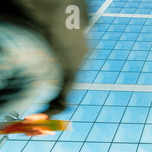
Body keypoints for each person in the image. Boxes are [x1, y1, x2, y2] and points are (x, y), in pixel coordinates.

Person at [0, 0, 89, 136]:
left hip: (14, 37)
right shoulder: (74, 13)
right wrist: (48, 113)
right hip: (40, 74)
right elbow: (77, 50)